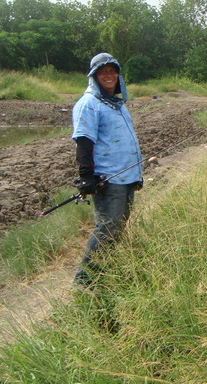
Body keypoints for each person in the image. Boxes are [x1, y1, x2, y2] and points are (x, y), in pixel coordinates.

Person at [72, 53, 143, 286]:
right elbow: (84, 141)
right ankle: (84, 283)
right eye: (102, 71)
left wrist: (136, 176)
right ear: (94, 76)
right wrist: (86, 177)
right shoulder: (89, 103)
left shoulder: (116, 104)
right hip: (108, 180)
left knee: (118, 228)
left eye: (112, 70)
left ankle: (105, 273)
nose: (108, 75)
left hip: (126, 177)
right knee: (107, 229)